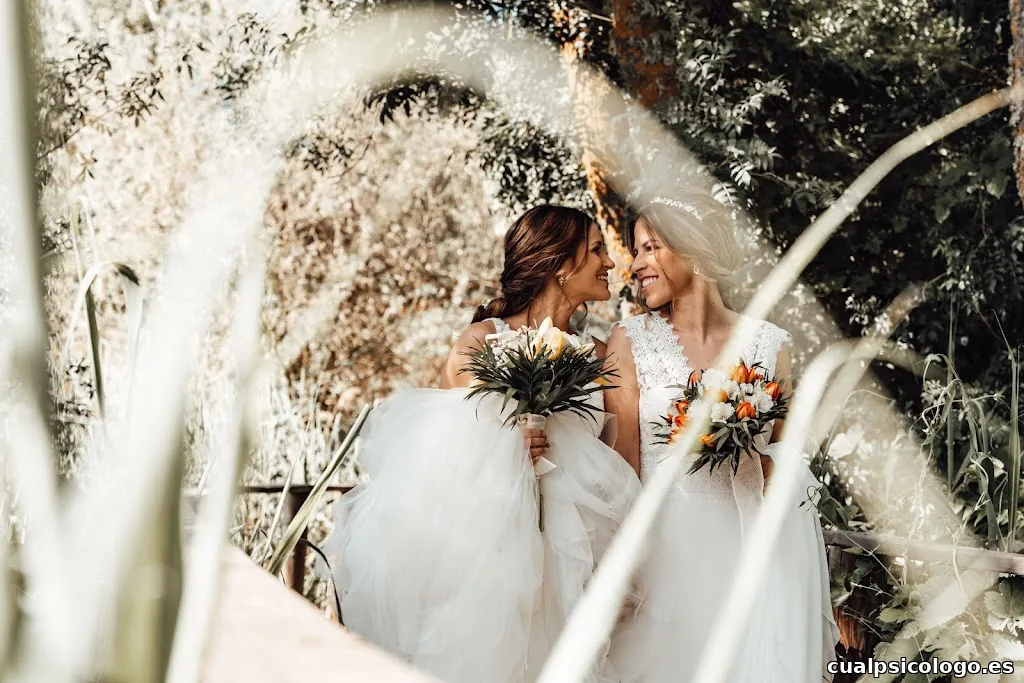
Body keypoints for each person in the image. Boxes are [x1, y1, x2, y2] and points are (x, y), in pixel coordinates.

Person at [323, 204, 641, 683]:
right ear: (560, 264)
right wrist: (509, 444)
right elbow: (443, 456)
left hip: (576, 556)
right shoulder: (479, 342)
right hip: (491, 563)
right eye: (597, 250)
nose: (610, 262)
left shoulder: (599, 358)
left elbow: (619, 456)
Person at [604, 194, 839, 682]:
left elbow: (784, 457)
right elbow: (620, 465)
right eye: (636, 250)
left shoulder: (769, 345)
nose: (637, 264)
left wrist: (753, 449)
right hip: (662, 561)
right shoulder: (628, 342)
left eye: (651, 247)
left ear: (692, 249)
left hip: (748, 554)